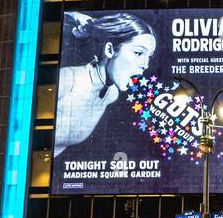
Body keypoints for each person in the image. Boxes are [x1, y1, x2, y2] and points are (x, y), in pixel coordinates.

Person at [53, 12, 157, 158]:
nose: (145, 65)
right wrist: (72, 14)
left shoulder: (111, 94)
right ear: (110, 50)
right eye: (139, 53)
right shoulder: (68, 80)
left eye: (149, 57)